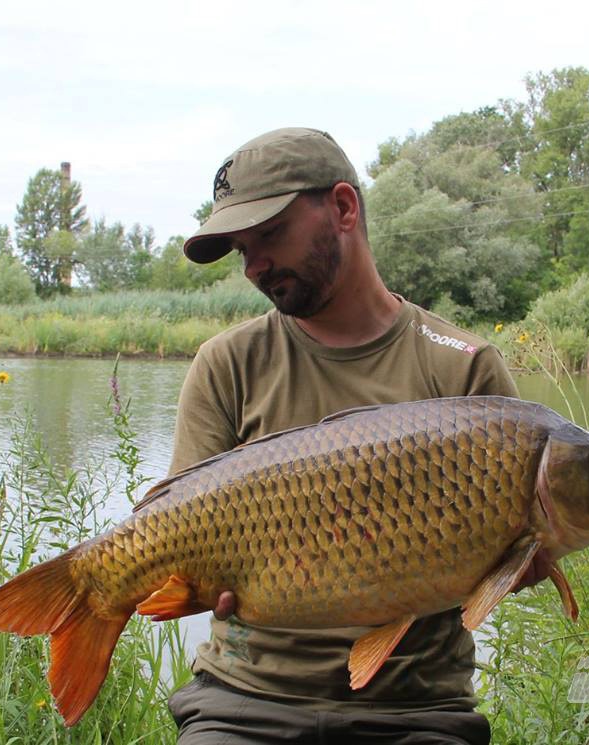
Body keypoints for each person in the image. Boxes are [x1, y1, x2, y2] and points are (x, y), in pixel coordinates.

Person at [166, 127, 519, 744]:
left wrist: (522, 556)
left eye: (269, 235)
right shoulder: (226, 364)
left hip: (417, 711)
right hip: (244, 703)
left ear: (344, 208)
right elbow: (175, 534)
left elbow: (510, 567)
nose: (255, 266)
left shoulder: (463, 367)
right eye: (240, 250)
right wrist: (194, 581)